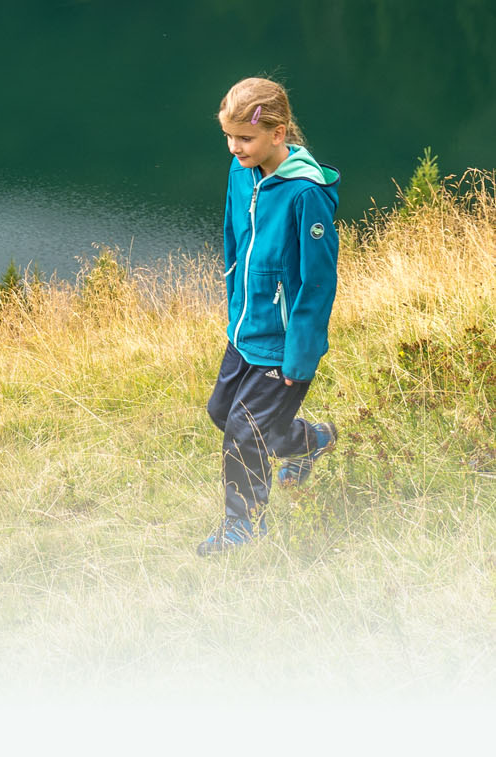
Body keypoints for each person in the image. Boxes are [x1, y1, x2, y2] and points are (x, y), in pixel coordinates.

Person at [199, 76, 341, 556]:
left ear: (278, 134)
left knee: (245, 431)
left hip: (282, 345)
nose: (235, 148)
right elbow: (233, 238)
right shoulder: (241, 171)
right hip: (245, 330)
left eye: (246, 138)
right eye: (229, 137)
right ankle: (312, 441)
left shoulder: (306, 194)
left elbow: (318, 286)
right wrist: (235, 303)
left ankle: (244, 526)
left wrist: (298, 361)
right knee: (223, 412)